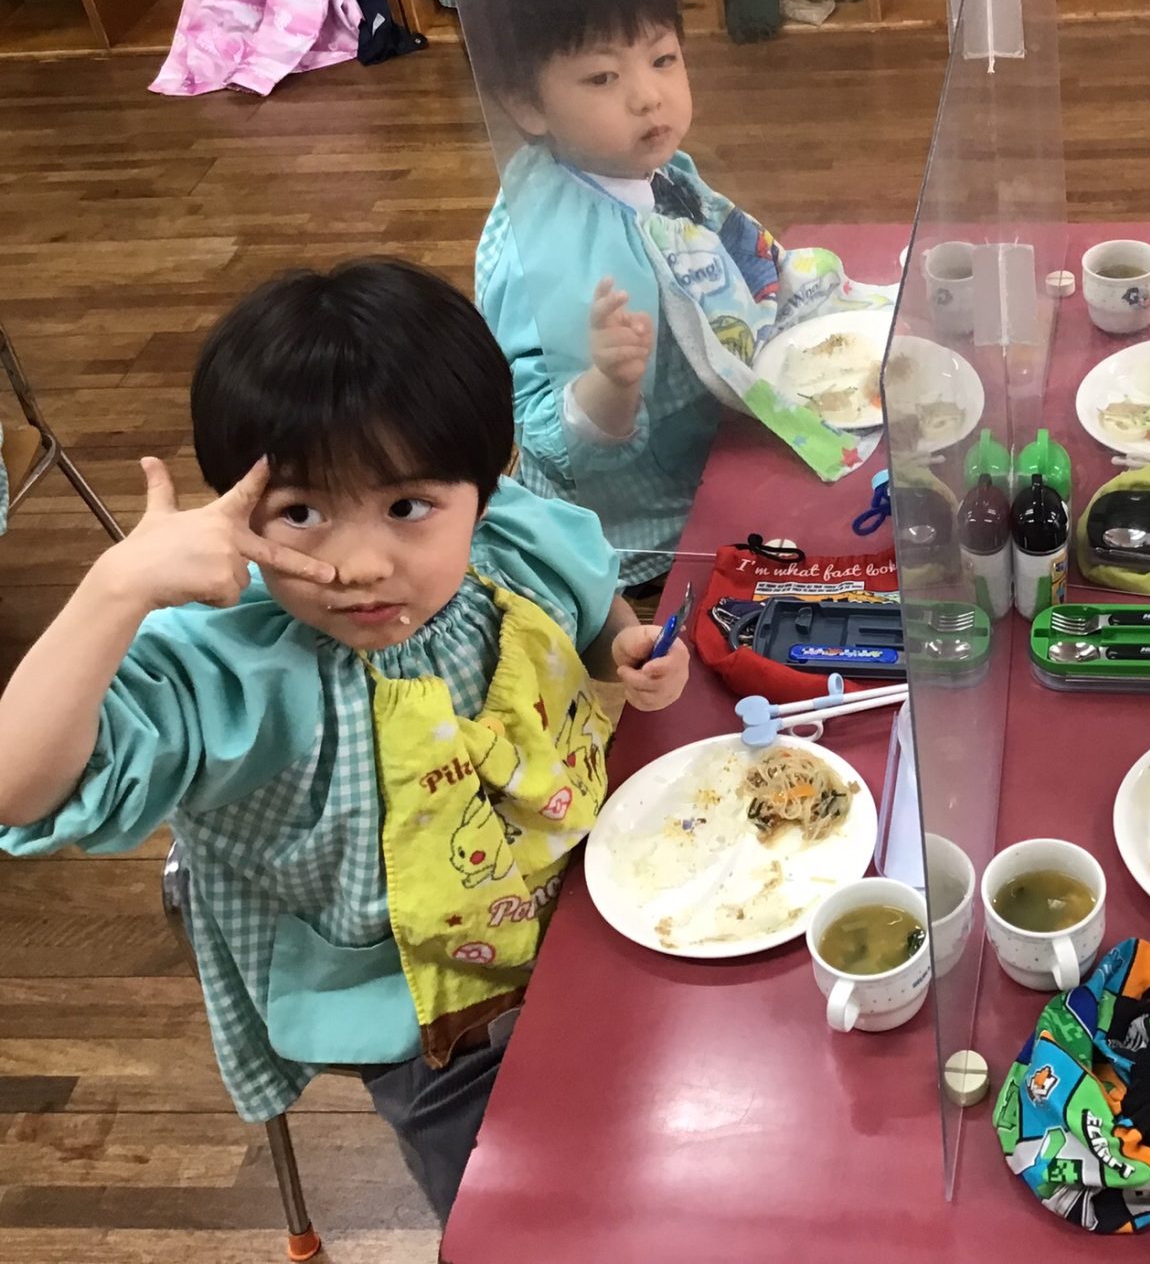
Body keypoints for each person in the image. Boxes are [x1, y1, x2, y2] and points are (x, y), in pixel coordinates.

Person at [0, 259, 690, 1223]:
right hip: (427, 1021)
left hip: (590, 904)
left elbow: (589, 608)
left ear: (485, 487)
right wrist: (117, 589)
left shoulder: (512, 545)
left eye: (407, 507)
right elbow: (17, 786)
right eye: (301, 513)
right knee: (518, 1216)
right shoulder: (233, 666)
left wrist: (622, 644)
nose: (359, 563)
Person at [464, 0, 869, 593]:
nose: (648, 95)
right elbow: (540, 430)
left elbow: (728, 248)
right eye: (602, 76)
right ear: (526, 106)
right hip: (640, 530)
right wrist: (609, 382)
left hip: (710, 434)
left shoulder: (652, 169)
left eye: (662, 59)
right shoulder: (548, 247)